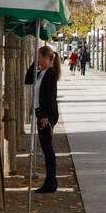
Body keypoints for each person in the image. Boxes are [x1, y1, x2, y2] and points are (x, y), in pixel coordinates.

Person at [24, 45, 61, 192]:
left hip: (47, 115)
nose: (37, 60)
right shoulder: (41, 71)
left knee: (48, 148)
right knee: (46, 147)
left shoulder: (50, 73)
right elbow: (27, 79)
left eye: (39, 57)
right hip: (41, 113)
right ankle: (51, 181)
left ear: (46, 57)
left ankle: (50, 182)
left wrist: (46, 116)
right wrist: (34, 63)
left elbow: (50, 97)